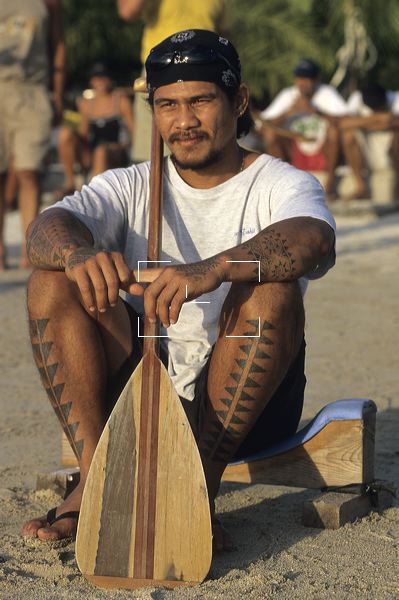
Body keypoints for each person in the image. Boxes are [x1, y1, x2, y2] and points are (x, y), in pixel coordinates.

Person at [21, 29, 336, 552]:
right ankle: (97, 478)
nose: (182, 121)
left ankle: (199, 489)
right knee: (53, 277)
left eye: (200, 101)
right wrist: (78, 255)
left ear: (238, 101)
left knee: (272, 290)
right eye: (166, 104)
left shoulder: (281, 182)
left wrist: (211, 269)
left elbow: (313, 241)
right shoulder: (130, 183)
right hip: (141, 384)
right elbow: (46, 228)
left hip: (242, 407)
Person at [117, 0, 226, 161]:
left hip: (206, 72)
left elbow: (226, 34)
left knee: (211, 155)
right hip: (159, 70)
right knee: (149, 159)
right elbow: (128, 10)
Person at [0, 0, 65, 269]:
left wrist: (58, 93)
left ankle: (30, 246)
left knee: (29, 170)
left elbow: (58, 44)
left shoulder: (49, 3)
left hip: (33, 90)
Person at [260, 59, 366, 198]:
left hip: (324, 152)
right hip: (296, 152)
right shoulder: (288, 95)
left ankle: (329, 186)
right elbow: (262, 126)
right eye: (300, 78)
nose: (303, 83)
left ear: (316, 80)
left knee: (334, 132)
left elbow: (346, 120)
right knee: (270, 135)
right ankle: (280, 185)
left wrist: (317, 112)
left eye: (308, 78)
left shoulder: (326, 93)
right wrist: (288, 113)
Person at [55, 62, 134, 197]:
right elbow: (84, 134)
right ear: (92, 80)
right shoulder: (86, 104)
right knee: (65, 134)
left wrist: (123, 146)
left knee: (101, 151)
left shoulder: (120, 101)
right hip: (92, 152)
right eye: (97, 78)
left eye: (104, 77)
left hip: (115, 152)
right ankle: (70, 182)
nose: (100, 82)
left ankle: (94, 196)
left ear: (110, 79)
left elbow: (134, 132)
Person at [340, 83, 399, 200]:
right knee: (348, 136)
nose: (375, 111)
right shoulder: (357, 98)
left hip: (389, 147)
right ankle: (361, 187)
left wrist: (362, 123)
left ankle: (397, 187)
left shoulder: (396, 98)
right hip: (367, 147)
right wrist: (377, 118)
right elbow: (343, 124)